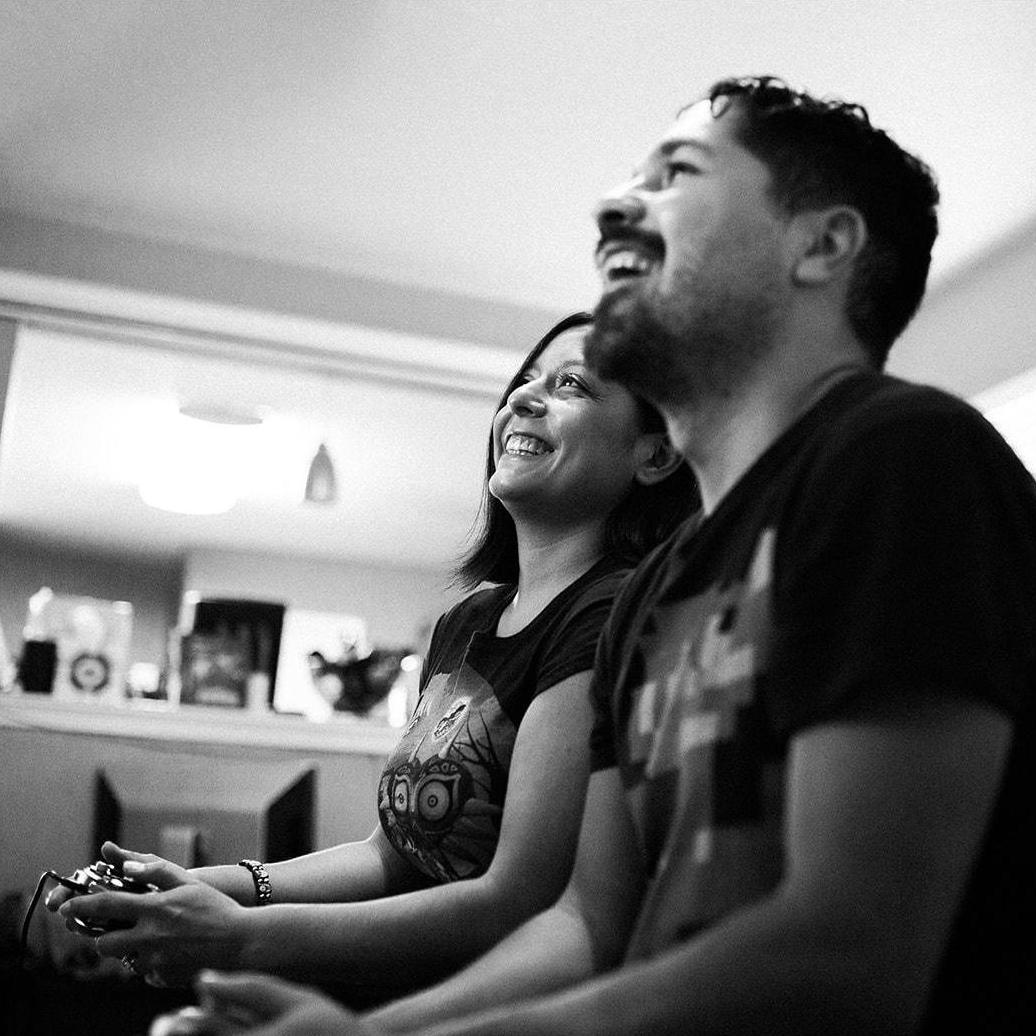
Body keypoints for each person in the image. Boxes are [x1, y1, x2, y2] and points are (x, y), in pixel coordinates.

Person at [151, 74, 1036, 1035]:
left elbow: (849, 951)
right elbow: (584, 926)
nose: (616, 205)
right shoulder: (651, 596)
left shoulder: (900, 458)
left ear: (820, 246)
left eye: (677, 175)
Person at [52, 312, 696, 1002]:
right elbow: (388, 858)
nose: (523, 398)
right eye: (525, 379)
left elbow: (515, 899)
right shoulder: (468, 623)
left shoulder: (609, 613)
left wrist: (240, 936)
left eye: (570, 385)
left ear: (654, 455)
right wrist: (208, 885)